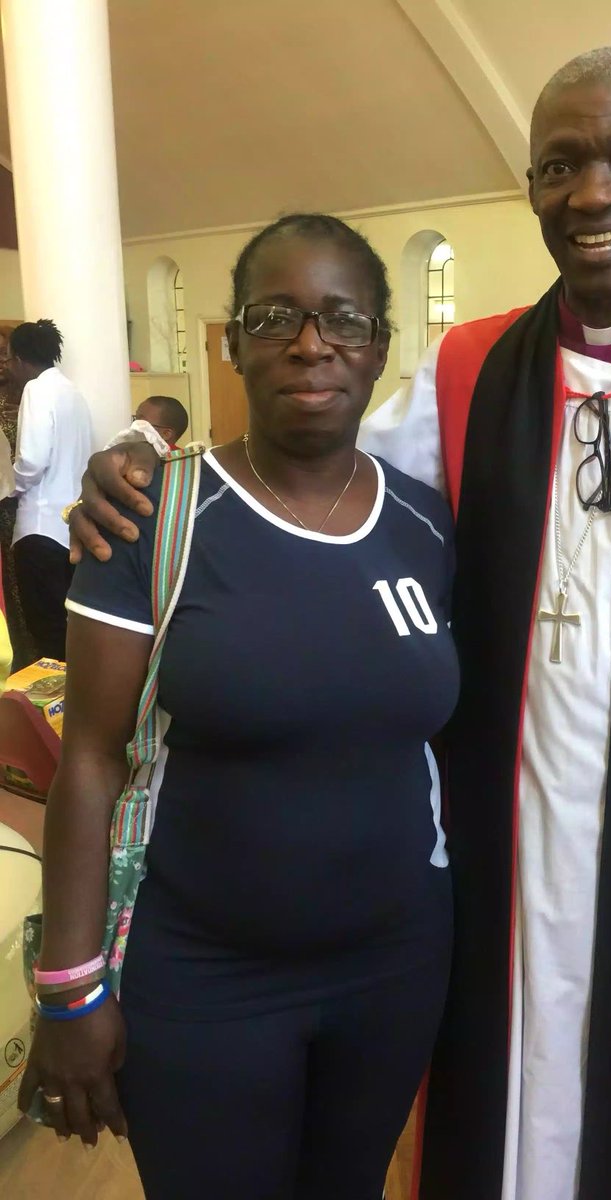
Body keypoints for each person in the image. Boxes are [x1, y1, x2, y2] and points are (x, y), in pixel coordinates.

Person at [69, 48, 611, 1200]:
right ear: (530, 188)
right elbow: (332, 482)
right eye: (562, 165)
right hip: (500, 836)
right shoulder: (469, 368)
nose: (595, 192)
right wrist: (148, 464)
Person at [18, 215, 458, 1200]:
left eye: (344, 318)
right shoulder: (154, 519)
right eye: (277, 318)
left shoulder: (429, 524)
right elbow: (90, 756)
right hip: (206, 975)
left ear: (382, 346)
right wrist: (69, 987)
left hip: (394, 968)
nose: (313, 344)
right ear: (231, 342)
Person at [8, 319, 92, 662]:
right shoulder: (72, 391)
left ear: (22, 358)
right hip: (70, 526)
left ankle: (52, 708)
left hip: (39, 527)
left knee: (46, 629)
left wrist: (8, 485)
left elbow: (32, 459)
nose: (9, 367)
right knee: (66, 622)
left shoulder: (36, 389)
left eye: (9, 358)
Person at [0, 324, 35, 669]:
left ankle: (26, 654)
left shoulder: (35, 398)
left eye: (4, 355)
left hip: (20, 506)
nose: (1, 363)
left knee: (18, 586)